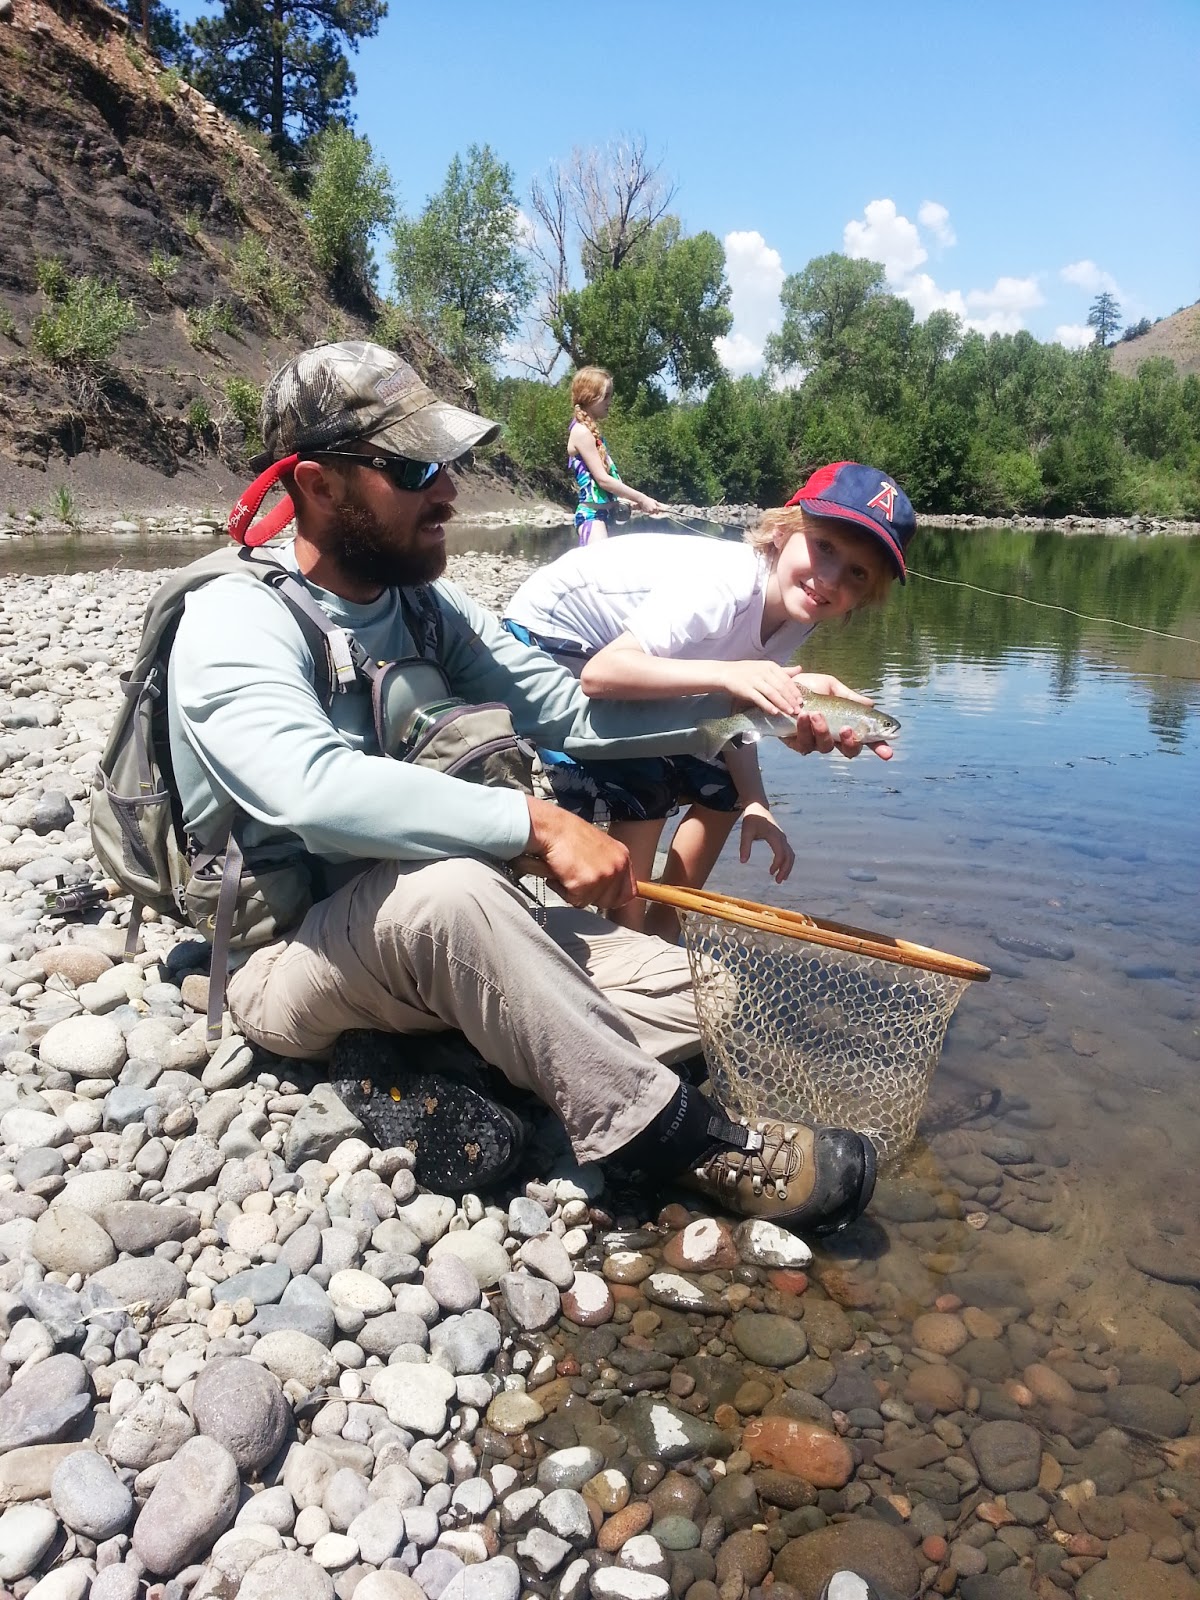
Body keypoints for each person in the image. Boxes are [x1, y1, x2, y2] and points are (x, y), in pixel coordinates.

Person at [164, 339, 880, 1231]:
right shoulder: (235, 614)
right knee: (459, 892)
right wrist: (534, 823)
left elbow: (568, 713)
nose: (450, 491)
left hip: (434, 930)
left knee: (708, 994)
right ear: (317, 485)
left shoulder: (427, 605)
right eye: (417, 467)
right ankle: (686, 1143)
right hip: (289, 954)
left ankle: (445, 1059)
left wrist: (753, 708)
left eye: (450, 464)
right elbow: (309, 788)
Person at [504, 461, 914, 939]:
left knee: (724, 786)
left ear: (867, 595)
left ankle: (665, 928)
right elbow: (601, 676)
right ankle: (629, 938)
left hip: (621, 657)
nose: (830, 579)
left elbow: (733, 714)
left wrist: (757, 802)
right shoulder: (728, 585)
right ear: (782, 531)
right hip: (550, 640)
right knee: (647, 777)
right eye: (823, 546)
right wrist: (729, 675)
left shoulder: (798, 613)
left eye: (857, 573)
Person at [568, 366, 666, 543]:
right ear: (588, 396)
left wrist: (629, 502)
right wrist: (642, 498)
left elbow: (601, 488)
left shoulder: (591, 433)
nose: (609, 401)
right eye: (605, 396)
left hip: (602, 517)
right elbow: (603, 480)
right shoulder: (581, 432)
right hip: (591, 518)